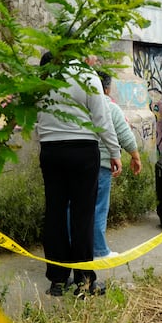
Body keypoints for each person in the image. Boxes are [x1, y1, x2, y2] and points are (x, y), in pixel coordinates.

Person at [37, 52, 122, 296]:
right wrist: (114, 152)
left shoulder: (43, 77)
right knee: (82, 216)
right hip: (83, 150)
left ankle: (57, 281)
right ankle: (84, 282)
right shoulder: (86, 75)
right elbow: (102, 118)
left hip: (51, 150)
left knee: (54, 214)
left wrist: (46, 142)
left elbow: (36, 119)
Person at [92, 72, 141, 259]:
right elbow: (124, 133)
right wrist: (135, 157)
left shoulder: (79, 105)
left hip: (80, 163)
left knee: (76, 208)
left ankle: (76, 250)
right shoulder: (109, 106)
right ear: (107, 88)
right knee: (98, 207)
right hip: (103, 163)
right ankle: (99, 251)